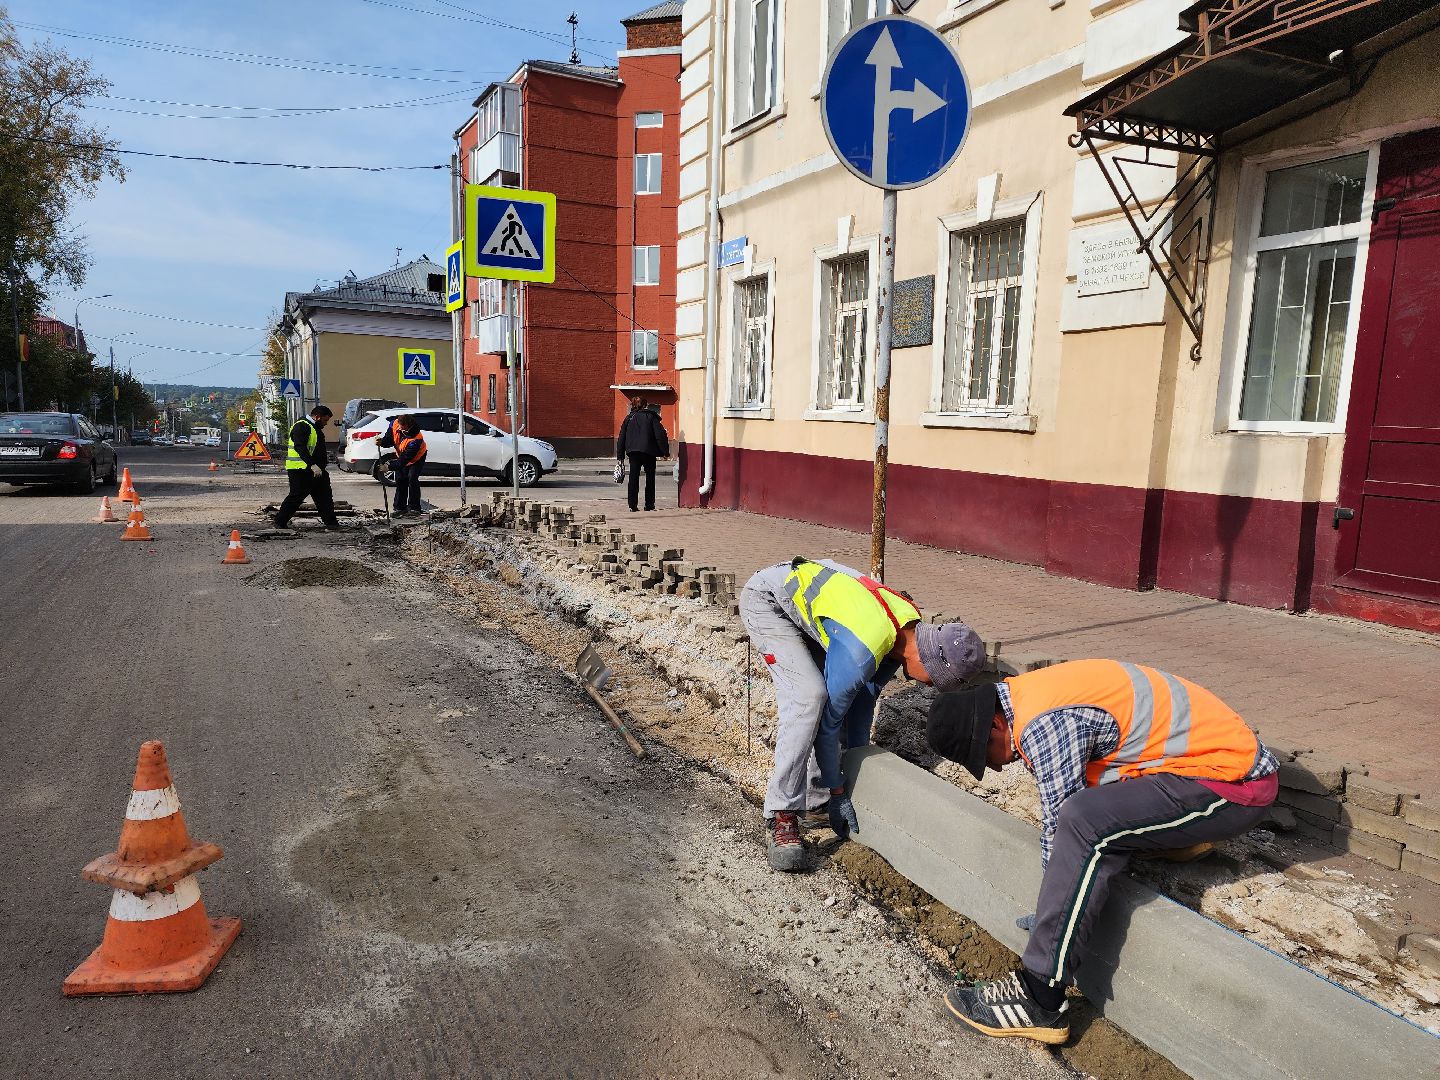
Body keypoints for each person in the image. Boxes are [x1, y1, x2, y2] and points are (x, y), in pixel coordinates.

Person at [926, 659, 1278, 1045]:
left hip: (1235, 785)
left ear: (995, 724)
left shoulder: (1043, 725)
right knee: (1090, 811)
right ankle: (1175, 839)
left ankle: (1039, 994)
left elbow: (1064, 826)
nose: (994, 767)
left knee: (1084, 820)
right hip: (1197, 768)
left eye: (985, 755)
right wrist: (1056, 899)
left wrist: (1055, 913)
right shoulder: (1026, 696)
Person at [741, 556, 985, 872]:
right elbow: (829, 725)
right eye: (935, 680)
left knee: (844, 697)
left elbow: (862, 704)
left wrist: (852, 770)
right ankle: (782, 813)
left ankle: (818, 801)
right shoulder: (865, 647)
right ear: (931, 663)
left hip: (818, 613)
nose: (928, 685)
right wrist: (841, 789)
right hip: (770, 601)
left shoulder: (908, 631)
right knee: (809, 697)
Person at [273, 405, 341, 530]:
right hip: (300, 469)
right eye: (325, 420)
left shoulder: (314, 427)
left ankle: (332, 524)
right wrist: (312, 464)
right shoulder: (302, 426)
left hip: (316, 470)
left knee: (324, 497)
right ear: (317, 417)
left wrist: (319, 466)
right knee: (296, 496)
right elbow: (300, 447)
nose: (326, 424)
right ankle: (280, 521)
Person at [615, 397, 669, 513]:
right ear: (646, 405)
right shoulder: (651, 417)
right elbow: (659, 435)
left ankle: (632, 505)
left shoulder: (629, 418)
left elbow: (621, 438)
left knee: (633, 477)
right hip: (649, 452)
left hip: (633, 453)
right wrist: (665, 452)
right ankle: (649, 505)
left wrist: (620, 456)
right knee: (650, 478)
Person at [378, 413, 427, 517]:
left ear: (408, 426)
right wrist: (381, 442)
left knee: (412, 479)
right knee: (400, 480)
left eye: (402, 427)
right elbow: (389, 439)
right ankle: (400, 507)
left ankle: (414, 508)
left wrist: (388, 467)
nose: (399, 429)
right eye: (399, 426)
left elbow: (403, 461)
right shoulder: (395, 424)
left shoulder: (416, 439)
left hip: (416, 458)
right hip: (402, 456)